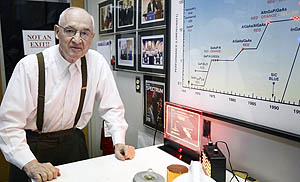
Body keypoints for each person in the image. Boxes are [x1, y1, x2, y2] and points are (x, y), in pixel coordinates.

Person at [0, 7, 135, 182]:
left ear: (92, 37)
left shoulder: (97, 63)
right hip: (32, 147)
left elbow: (112, 107)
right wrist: (30, 163)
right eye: (70, 31)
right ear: (57, 32)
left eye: (85, 33)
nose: (77, 39)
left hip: (73, 144)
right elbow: (8, 125)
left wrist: (119, 141)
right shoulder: (29, 67)